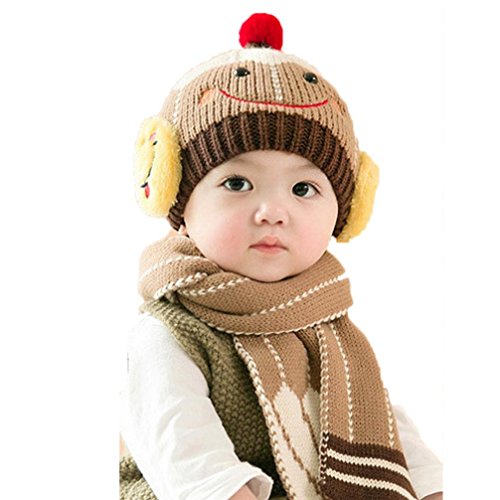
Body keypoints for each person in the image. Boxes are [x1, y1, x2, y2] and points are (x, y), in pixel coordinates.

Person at [120, 13, 443, 500]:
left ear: (346, 210)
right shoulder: (169, 333)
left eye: (303, 188)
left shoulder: (332, 331)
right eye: (237, 183)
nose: (273, 211)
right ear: (177, 200)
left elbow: (388, 432)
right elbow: (190, 463)